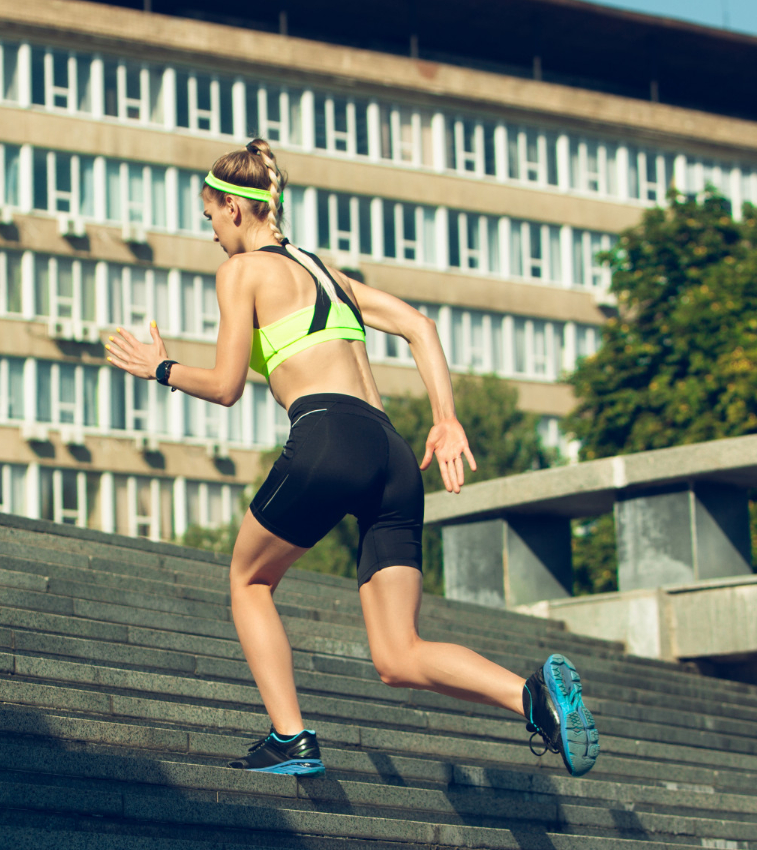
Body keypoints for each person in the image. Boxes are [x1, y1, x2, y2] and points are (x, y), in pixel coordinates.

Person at [105, 139, 598, 779]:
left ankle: (290, 738)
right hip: (391, 456)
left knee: (248, 581)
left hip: (327, 433)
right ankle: (532, 698)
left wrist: (161, 367)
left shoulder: (242, 272)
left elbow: (227, 387)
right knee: (398, 654)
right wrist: (444, 420)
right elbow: (421, 324)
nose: (212, 236)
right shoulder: (327, 273)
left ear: (234, 208)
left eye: (210, 219)